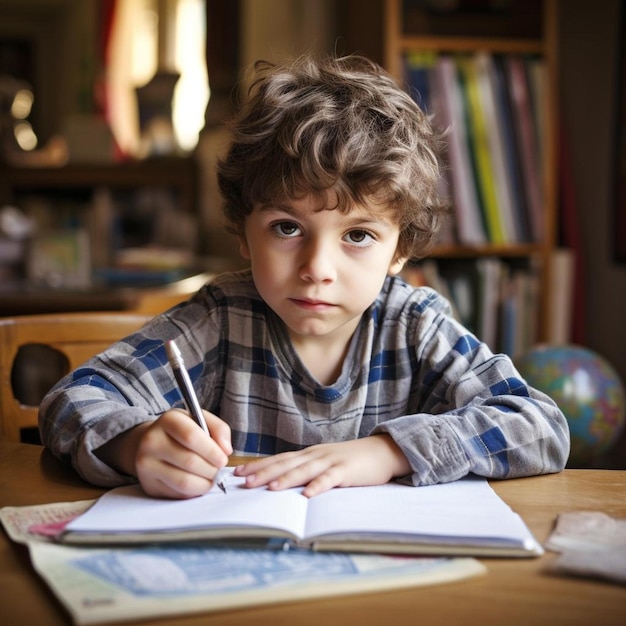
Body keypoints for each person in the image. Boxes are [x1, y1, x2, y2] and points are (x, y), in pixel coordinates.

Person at [39, 54, 570, 500]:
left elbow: (538, 426)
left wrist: (387, 452)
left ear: (400, 250)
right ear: (243, 233)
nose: (317, 269)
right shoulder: (221, 317)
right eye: (287, 227)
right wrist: (133, 443)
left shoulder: (415, 327)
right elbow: (72, 399)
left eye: (358, 235)